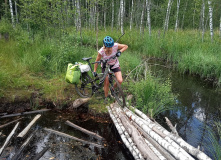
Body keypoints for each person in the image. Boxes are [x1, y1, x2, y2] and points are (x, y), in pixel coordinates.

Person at [93, 36, 128, 102]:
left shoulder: (115, 45)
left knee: (120, 80)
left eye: (111, 47)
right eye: (108, 47)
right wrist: (94, 71)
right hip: (105, 66)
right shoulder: (101, 51)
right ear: (105, 46)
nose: (110, 48)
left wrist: (120, 51)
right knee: (106, 82)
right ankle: (106, 97)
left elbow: (126, 46)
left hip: (115, 65)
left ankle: (112, 89)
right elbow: (97, 61)